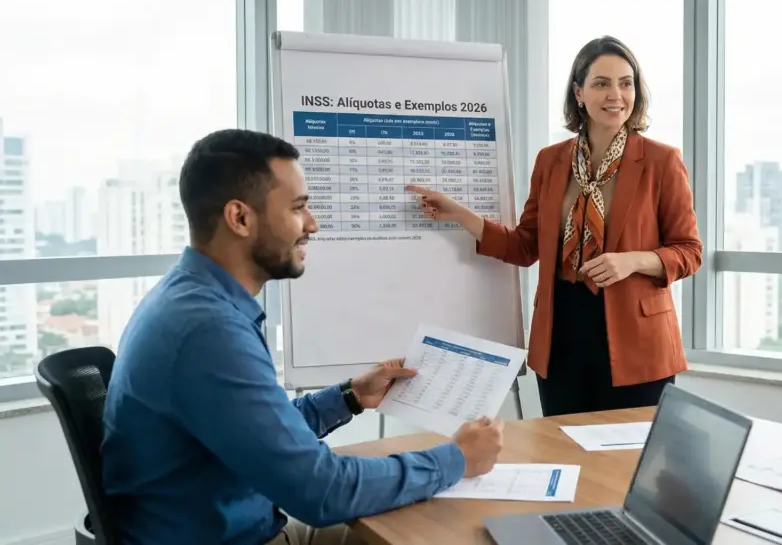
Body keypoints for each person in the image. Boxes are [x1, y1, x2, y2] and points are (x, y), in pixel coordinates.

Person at [100, 129, 504, 545]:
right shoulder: (208, 331)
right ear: (240, 218)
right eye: (298, 208)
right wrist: (456, 459)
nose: (313, 223)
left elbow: (262, 431)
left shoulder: (193, 299)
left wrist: (349, 396)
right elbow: (322, 492)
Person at [408, 36, 702, 417]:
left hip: (637, 340)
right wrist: (463, 215)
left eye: (626, 83)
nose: (616, 95)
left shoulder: (661, 161)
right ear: (579, 93)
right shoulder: (551, 161)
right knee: (565, 453)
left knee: (628, 463)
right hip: (562, 332)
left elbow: (689, 251)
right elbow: (526, 245)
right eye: (602, 83)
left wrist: (632, 261)